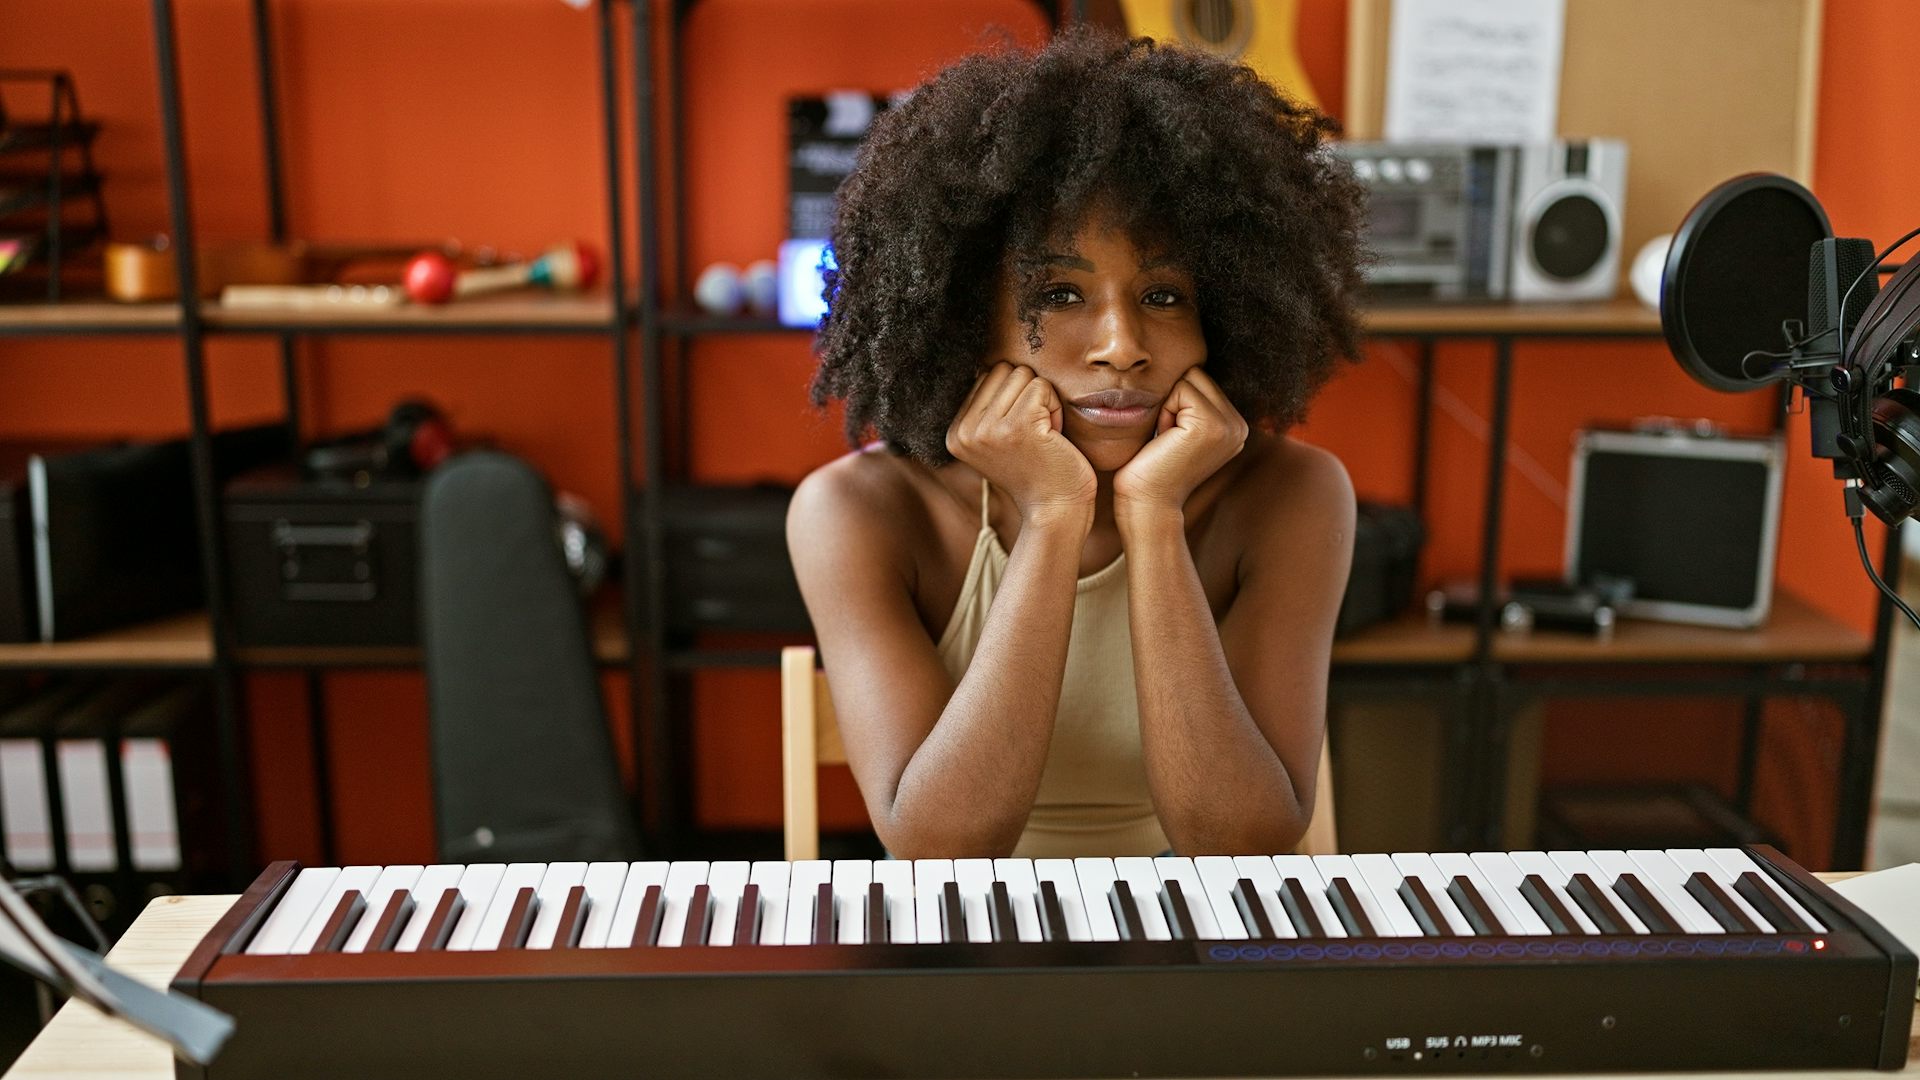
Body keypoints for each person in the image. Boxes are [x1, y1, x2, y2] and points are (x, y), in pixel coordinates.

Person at [787, 25, 1367, 860]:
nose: (1121, 344)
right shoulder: (856, 512)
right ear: (957, 309)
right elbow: (939, 848)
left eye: (1164, 295)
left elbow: (1239, 843)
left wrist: (1154, 517)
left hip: (1196, 952)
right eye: (1059, 292)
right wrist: (1056, 514)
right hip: (965, 957)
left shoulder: (1293, 496)